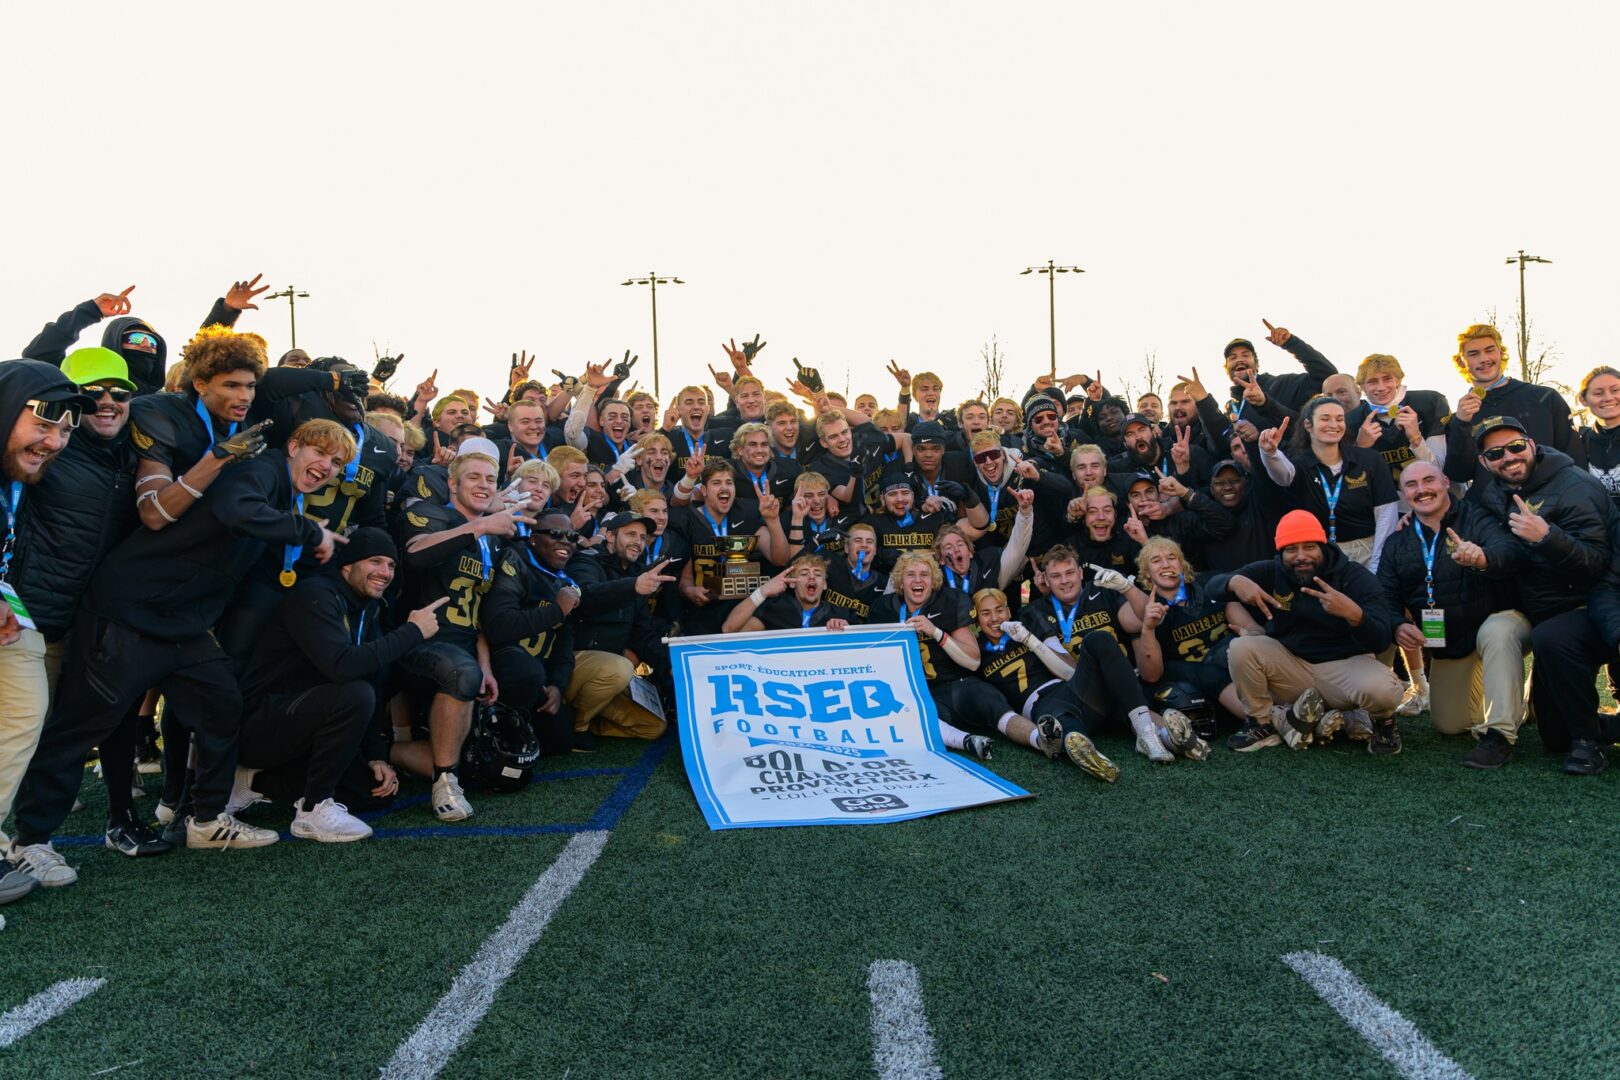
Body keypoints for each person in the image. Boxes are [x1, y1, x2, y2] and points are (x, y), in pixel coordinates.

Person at [10, 419, 352, 880]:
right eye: (320, 453)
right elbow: (235, 507)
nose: (325, 467)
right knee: (80, 726)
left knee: (221, 705)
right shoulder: (264, 469)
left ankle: (205, 820)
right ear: (293, 446)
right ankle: (30, 841)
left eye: (336, 464)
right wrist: (309, 532)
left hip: (179, 624)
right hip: (128, 612)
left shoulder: (283, 492)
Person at [7, 349, 149, 852]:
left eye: (120, 392)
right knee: (23, 732)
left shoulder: (135, 457)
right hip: (30, 619)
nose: (107, 403)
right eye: (92, 395)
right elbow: (26, 374)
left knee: (56, 736)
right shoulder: (48, 452)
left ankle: (31, 844)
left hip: (91, 624)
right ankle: (27, 841)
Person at [236, 529, 447, 840]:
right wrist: (412, 631)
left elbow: (373, 677)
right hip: (260, 722)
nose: (385, 573)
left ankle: (252, 783)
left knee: (373, 791)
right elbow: (341, 666)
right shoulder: (315, 594)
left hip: (305, 723)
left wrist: (376, 755)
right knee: (354, 694)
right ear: (347, 564)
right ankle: (312, 809)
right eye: (375, 561)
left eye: (391, 565)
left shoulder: (368, 607)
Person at [1465, 416, 1615, 773]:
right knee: (1554, 737)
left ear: (1532, 445)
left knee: (1553, 637)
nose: (1509, 457)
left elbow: (1595, 564)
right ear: (1486, 463)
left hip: (1585, 605)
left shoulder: (1576, 486)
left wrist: (1547, 538)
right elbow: (1457, 511)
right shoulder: (1492, 491)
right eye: (1496, 453)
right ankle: (1500, 735)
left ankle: (1589, 741)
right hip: (1537, 608)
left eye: (1516, 446)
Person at [0, 362, 94, 903]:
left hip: (16, 613)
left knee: (22, 715)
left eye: (64, 430)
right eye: (43, 424)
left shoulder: (16, 477)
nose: (53, 442)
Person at [396, 450, 527, 819]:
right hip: (417, 640)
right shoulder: (433, 514)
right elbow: (416, 554)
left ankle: (386, 754)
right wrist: (479, 526)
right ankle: (444, 784)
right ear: (452, 483)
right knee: (462, 673)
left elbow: (480, 614)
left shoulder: (495, 540)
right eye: (473, 477)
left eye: (489, 479)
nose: (483, 485)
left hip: (463, 644)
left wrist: (485, 664)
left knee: (479, 761)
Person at [1210, 510, 1406, 755]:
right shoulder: (1272, 571)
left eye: (1309, 547)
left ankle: (1383, 723)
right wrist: (1234, 582)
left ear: (1323, 546)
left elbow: (1380, 639)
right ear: (1281, 552)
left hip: (1344, 668)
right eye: (1291, 549)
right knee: (1241, 648)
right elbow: (1211, 588)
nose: (1301, 556)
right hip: (1291, 668)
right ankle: (1260, 724)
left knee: (1383, 689)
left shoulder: (1353, 576)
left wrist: (1354, 614)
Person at [1376, 462, 1525, 768]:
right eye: (1412, 485)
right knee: (1449, 724)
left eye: (1429, 480)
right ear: (1403, 494)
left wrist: (1484, 558)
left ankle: (1499, 736)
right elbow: (1385, 596)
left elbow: (1511, 551)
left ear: (1445, 482)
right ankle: (1527, 703)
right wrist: (1397, 625)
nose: (1422, 490)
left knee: (1496, 631)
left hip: (1497, 623)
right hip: (1451, 641)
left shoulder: (1477, 517)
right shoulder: (1397, 542)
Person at [557, 512, 671, 744]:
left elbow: (643, 634)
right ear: (609, 535)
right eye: (630, 534)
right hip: (570, 664)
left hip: (609, 673)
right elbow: (585, 598)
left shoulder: (636, 575)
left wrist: (671, 666)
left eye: (642, 537)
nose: (637, 542)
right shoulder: (586, 560)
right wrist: (633, 586)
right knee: (621, 667)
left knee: (653, 727)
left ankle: (589, 717)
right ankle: (575, 728)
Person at [868, 551, 995, 759]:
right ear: (900, 581)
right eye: (910, 574)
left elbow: (973, 661)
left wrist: (936, 632)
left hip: (942, 686)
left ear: (933, 580)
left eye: (924, 574)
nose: (918, 580)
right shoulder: (883, 607)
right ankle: (966, 740)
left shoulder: (950, 601)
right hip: (902, 689)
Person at [1132, 538, 1260, 741]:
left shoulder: (1209, 585)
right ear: (1146, 573)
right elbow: (1150, 674)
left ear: (1182, 564)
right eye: (1156, 560)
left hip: (1233, 666)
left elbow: (1253, 628)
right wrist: (1148, 627)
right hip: (1195, 689)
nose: (1166, 564)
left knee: (1236, 647)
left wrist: (1249, 639)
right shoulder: (1146, 606)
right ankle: (1268, 720)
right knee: (1177, 669)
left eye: (1171, 557)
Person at [481, 510, 586, 754]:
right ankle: (490, 725)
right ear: (533, 538)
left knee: (561, 741)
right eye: (555, 534)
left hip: (538, 674)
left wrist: (558, 686)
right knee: (526, 671)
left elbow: (564, 644)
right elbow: (498, 627)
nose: (565, 542)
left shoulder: (565, 582)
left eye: (572, 537)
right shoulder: (514, 561)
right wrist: (556, 610)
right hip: (503, 665)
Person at [1255, 398, 1398, 570]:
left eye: (1339, 419)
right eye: (1325, 418)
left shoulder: (1369, 459)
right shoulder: (1299, 465)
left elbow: (1386, 516)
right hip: (1321, 556)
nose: (1333, 424)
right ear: (1308, 425)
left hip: (1369, 552)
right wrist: (1269, 452)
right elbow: (1282, 475)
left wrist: (1378, 565)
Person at [1443, 323, 1574, 483]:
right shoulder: (1460, 418)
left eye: (1490, 350)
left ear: (1500, 353)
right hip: (1490, 507)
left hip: (1550, 502)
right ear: (1461, 361)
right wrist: (1461, 424)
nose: (1484, 359)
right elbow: (1458, 475)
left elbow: (1573, 457)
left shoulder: (1545, 397)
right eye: (1473, 353)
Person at [1346, 354, 1449, 483]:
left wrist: (1416, 438)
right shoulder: (1351, 420)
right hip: (1385, 498)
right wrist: (1360, 447)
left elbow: (1439, 469)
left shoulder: (1429, 403)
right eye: (1372, 381)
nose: (1381, 387)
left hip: (1434, 492)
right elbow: (1351, 480)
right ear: (1362, 387)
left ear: (1398, 380)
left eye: (1387, 379)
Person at [1220, 318, 1338, 420]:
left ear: (1256, 364)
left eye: (1245, 355)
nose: (1239, 360)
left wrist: (1291, 343)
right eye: (1232, 358)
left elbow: (1327, 374)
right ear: (1227, 368)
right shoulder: (1230, 409)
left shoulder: (1282, 384)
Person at [722, 553, 850, 632]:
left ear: (825, 585)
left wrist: (847, 629)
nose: (811, 577)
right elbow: (729, 629)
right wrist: (762, 591)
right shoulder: (774, 609)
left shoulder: (841, 614)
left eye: (817, 574)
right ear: (792, 583)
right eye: (804, 573)